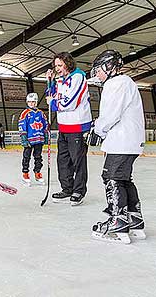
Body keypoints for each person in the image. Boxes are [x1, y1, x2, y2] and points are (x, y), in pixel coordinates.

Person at [89, 50, 146, 244]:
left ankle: (117, 222)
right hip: (130, 140)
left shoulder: (116, 83)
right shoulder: (126, 82)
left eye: (98, 70)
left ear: (108, 67)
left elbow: (111, 114)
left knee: (112, 178)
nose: (97, 75)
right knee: (124, 179)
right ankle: (134, 220)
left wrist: (98, 129)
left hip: (122, 140)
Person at [45, 52, 92, 206]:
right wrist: (50, 82)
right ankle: (67, 188)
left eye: (60, 65)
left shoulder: (78, 77)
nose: (57, 68)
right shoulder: (60, 80)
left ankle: (78, 190)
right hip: (63, 127)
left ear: (68, 63)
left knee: (77, 160)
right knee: (63, 160)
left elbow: (70, 102)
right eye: (56, 66)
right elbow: (49, 95)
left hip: (77, 126)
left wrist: (53, 103)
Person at [18, 93, 48, 185]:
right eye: (30, 102)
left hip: (39, 139)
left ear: (36, 102)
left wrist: (45, 135)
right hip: (29, 140)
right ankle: (25, 173)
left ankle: (37, 173)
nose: (32, 104)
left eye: (33, 102)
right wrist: (24, 137)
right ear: (27, 102)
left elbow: (45, 124)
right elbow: (22, 125)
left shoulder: (41, 113)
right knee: (26, 157)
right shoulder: (25, 113)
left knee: (38, 157)